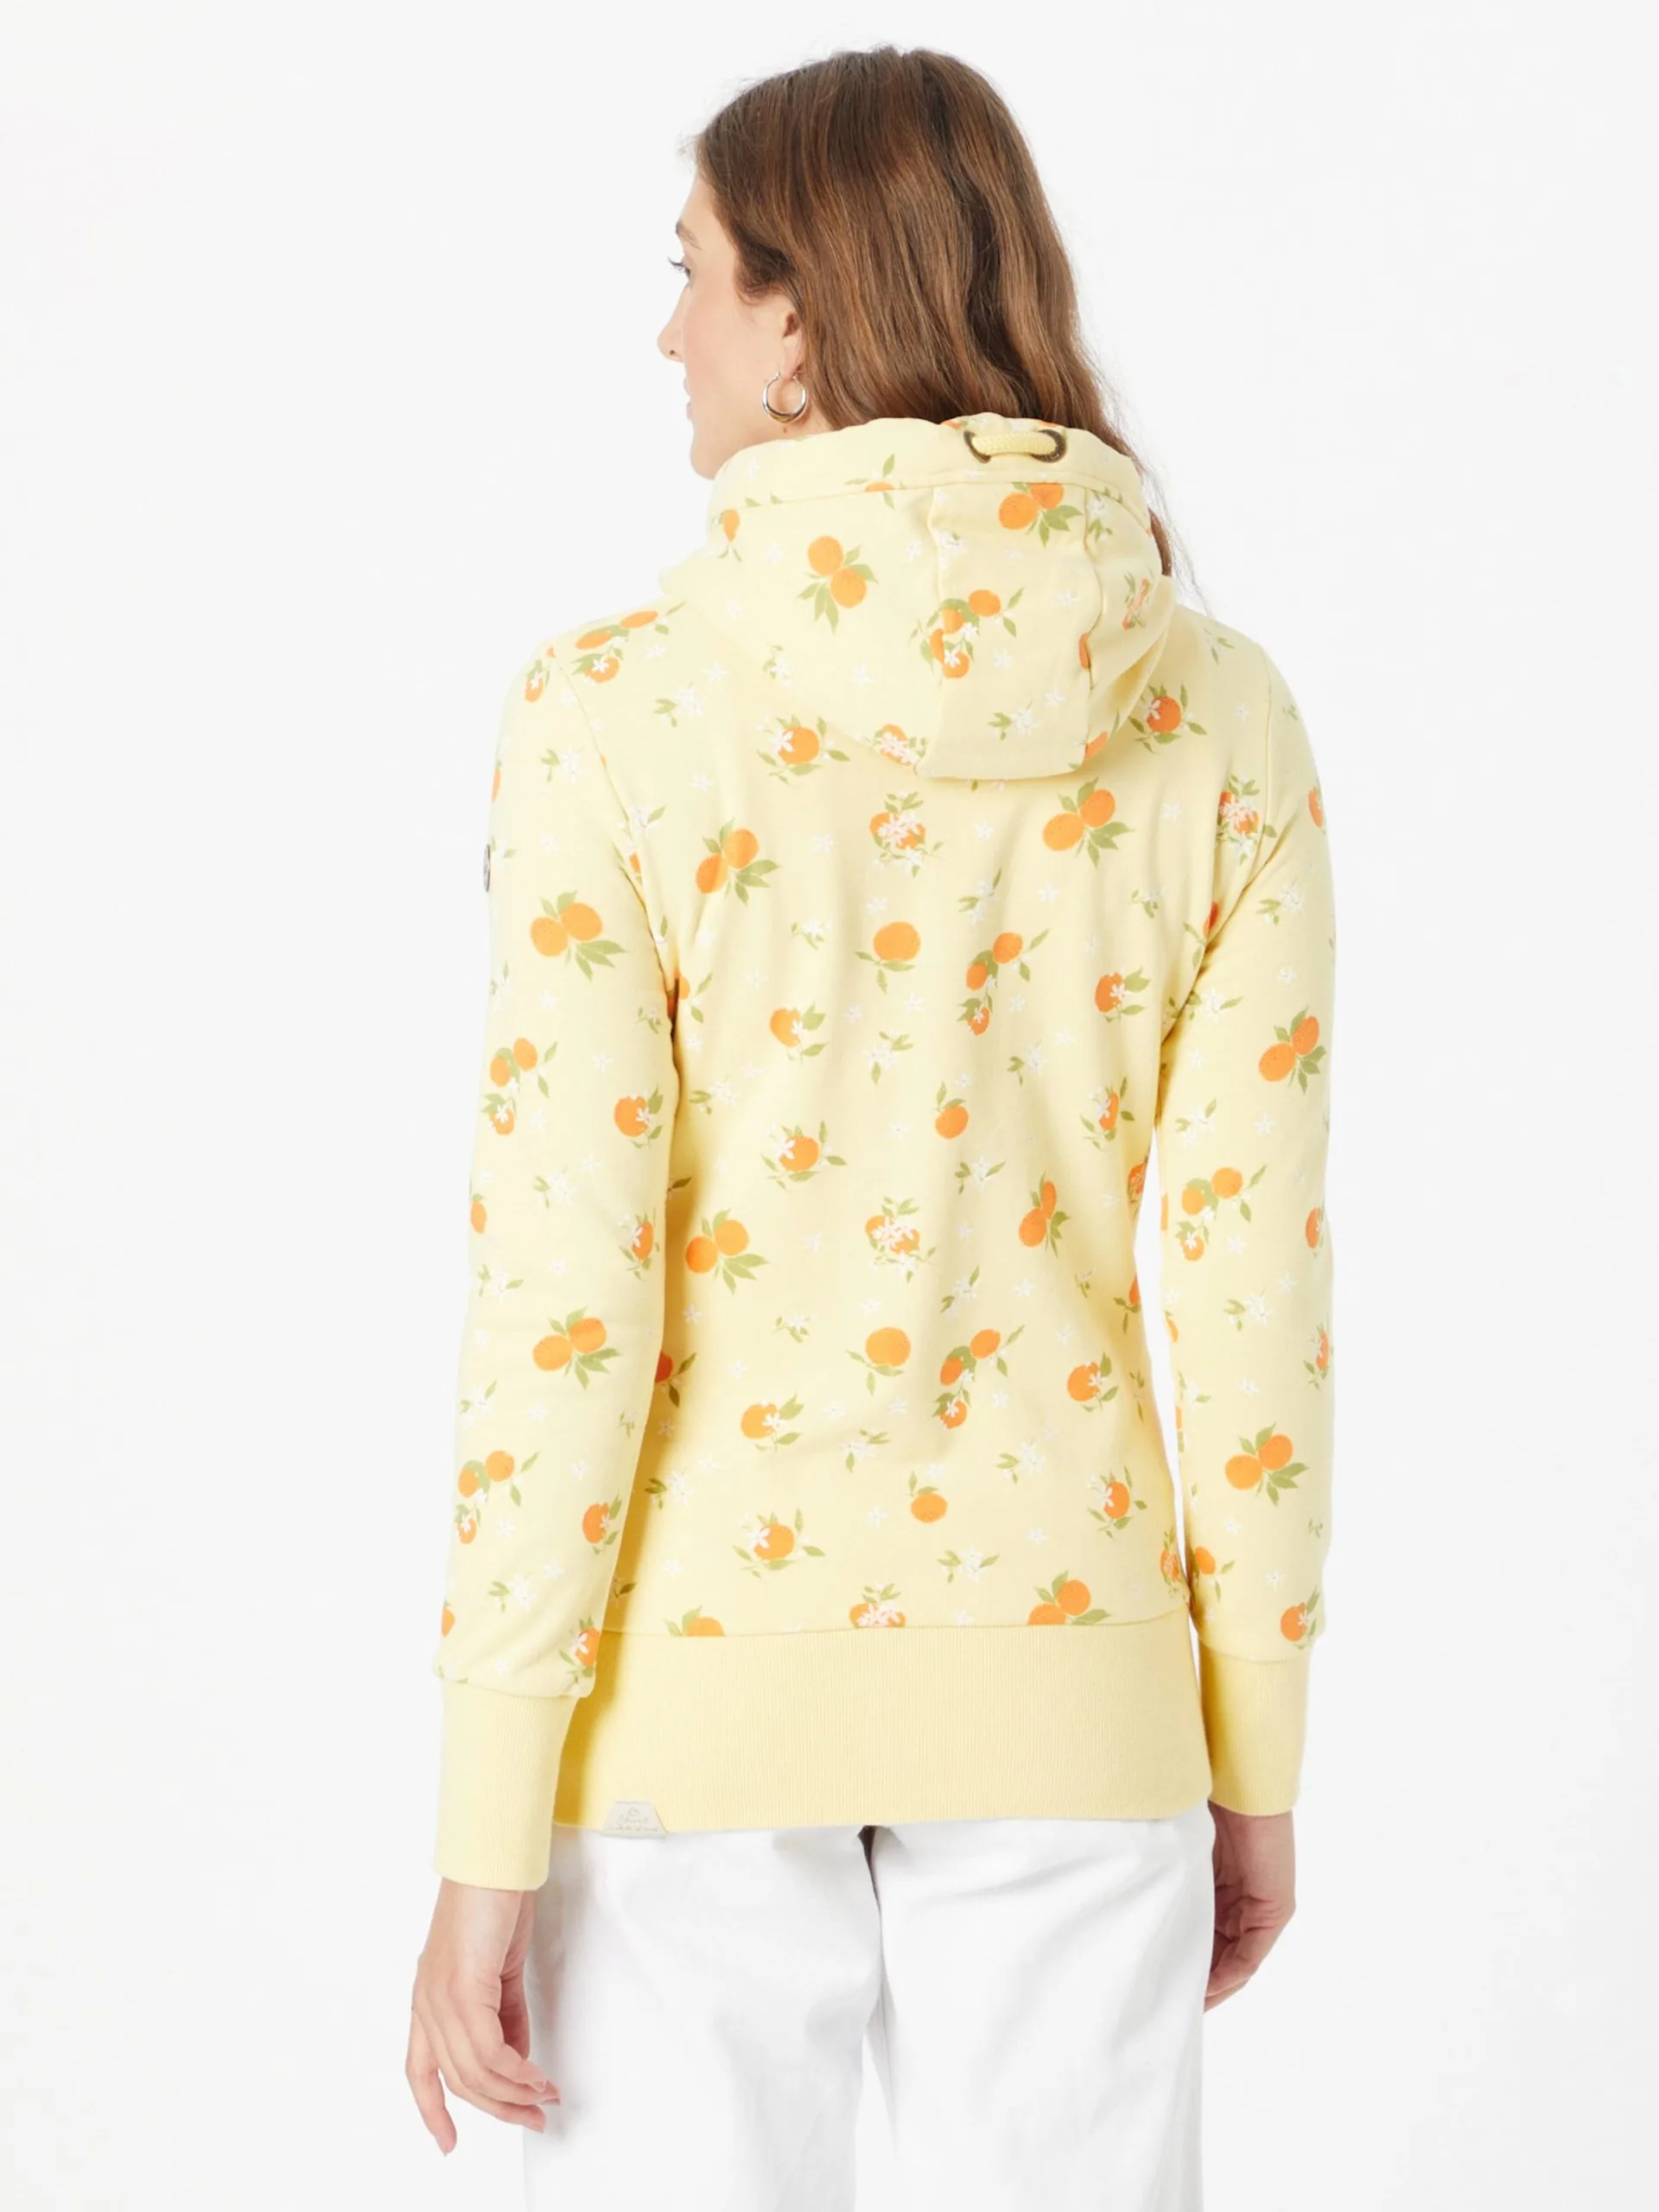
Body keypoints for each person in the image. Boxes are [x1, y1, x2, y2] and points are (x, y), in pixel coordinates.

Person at [406, 43, 1338, 2212]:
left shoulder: (612, 713)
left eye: (694, 274)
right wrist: (1250, 1745)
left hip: (689, 1706)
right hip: (1082, 1697)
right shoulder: (1221, 716)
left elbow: (563, 1297)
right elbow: (1251, 1297)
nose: (668, 334)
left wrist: (484, 1815)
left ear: (801, 321)